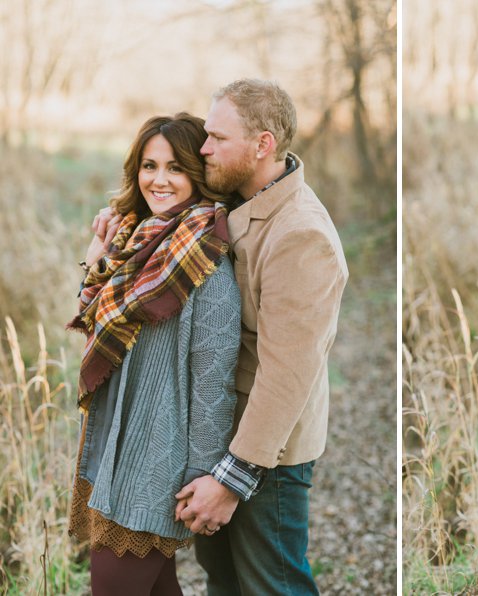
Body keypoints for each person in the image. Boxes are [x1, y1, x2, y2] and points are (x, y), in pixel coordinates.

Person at [166, 79, 348, 594]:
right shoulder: (234, 198)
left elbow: (287, 374)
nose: (204, 149)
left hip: (264, 457)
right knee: (225, 583)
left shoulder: (300, 235)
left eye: (217, 139)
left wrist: (230, 481)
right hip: (221, 434)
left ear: (263, 144)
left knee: (273, 586)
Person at [67, 113, 241, 595]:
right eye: (149, 165)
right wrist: (98, 251)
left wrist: (203, 478)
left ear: (197, 174)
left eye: (175, 168)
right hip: (116, 452)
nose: (159, 180)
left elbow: (213, 384)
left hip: (157, 469)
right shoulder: (136, 239)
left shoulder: (204, 260)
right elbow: (93, 317)